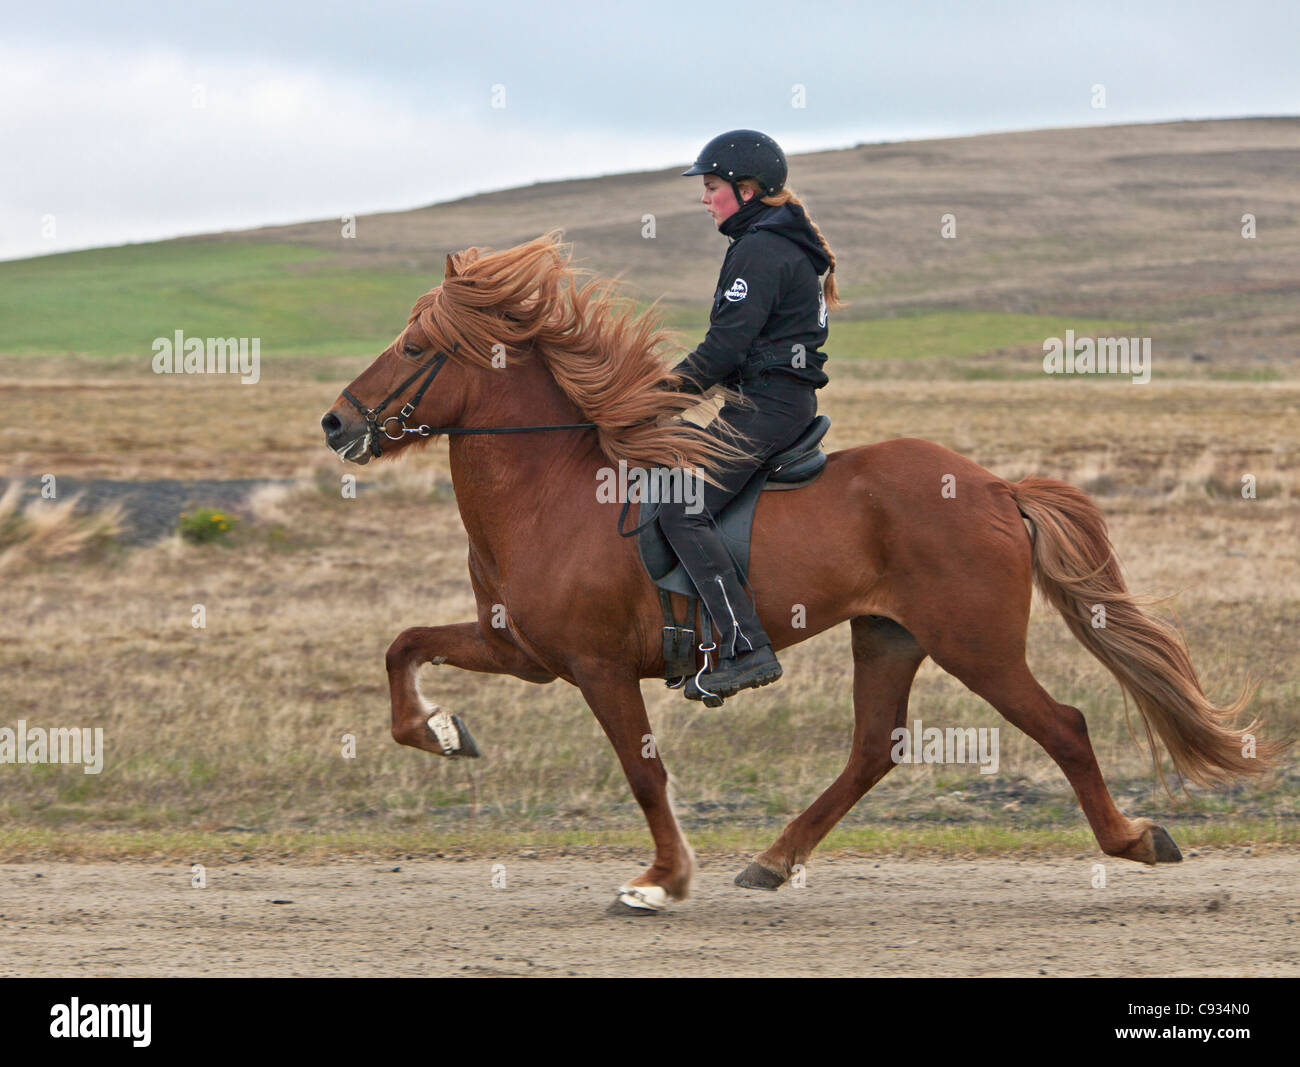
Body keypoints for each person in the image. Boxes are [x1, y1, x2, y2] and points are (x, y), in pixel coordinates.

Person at [657, 129, 842, 702]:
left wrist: (655, 398)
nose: (704, 199)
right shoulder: (774, 241)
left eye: (711, 188)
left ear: (747, 188)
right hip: (769, 402)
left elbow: (724, 349)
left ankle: (744, 646)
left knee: (681, 508)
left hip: (767, 407)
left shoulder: (760, 248)